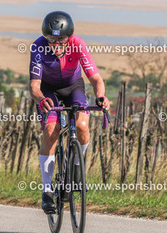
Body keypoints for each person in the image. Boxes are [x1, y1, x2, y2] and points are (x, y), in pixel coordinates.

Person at [29, 11, 111, 214]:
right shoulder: (38, 47)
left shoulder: (78, 44)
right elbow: (34, 87)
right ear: (45, 37)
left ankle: (75, 168)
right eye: (51, 39)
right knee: (51, 131)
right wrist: (41, 100)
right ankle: (47, 191)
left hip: (73, 87)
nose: (56, 44)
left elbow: (96, 79)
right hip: (48, 90)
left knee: (82, 126)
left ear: (70, 37)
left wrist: (100, 97)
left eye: (62, 40)